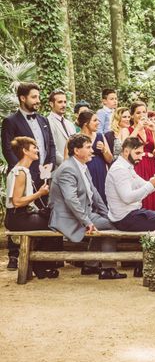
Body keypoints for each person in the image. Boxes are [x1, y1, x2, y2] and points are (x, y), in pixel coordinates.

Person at [49, 134, 126, 279]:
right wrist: (87, 222)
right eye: (88, 147)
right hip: (69, 217)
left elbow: (94, 193)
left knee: (110, 221)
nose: (92, 151)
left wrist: (107, 214)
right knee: (111, 226)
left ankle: (90, 265)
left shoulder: (81, 166)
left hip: (84, 213)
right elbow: (71, 200)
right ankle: (107, 269)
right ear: (77, 151)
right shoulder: (68, 169)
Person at [105, 136, 155, 281]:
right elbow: (127, 197)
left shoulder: (127, 167)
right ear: (126, 151)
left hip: (130, 214)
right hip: (125, 218)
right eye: (138, 153)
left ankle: (143, 267)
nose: (141, 156)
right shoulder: (120, 170)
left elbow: (144, 185)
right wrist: (150, 185)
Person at [1, 82, 56, 271]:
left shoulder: (43, 120)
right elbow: (8, 149)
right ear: (22, 98)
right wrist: (22, 169)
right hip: (24, 172)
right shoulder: (11, 121)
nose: (37, 100)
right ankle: (14, 255)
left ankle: (42, 258)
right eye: (34, 97)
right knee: (18, 212)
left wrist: (48, 165)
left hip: (43, 174)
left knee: (41, 212)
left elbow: (50, 145)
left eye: (38, 97)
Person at [4, 137, 62, 278]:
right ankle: (40, 265)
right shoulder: (20, 173)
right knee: (54, 224)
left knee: (52, 219)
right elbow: (17, 202)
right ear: (25, 151)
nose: (37, 150)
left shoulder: (24, 170)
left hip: (22, 215)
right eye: (34, 147)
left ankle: (40, 265)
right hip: (17, 217)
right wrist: (39, 194)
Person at [128, 101, 155, 211]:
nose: (142, 115)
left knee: (152, 194)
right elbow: (127, 146)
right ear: (132, 115)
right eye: (138, 113)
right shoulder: (127, 130)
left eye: (144, 112)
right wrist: (137, 128)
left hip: (150, 165)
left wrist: (154, 131)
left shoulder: (150, 130)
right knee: (139, 193)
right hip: (136, 165)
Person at [77, 110, 113, 205]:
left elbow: (109, 159)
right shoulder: (75, 139)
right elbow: (67, 160)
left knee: (102, 199)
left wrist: (104, 150)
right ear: (86, 124)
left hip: (100, 173)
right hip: (84, 172)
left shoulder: (100, 136)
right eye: (95, 120)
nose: (98, 123)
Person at [47, 89, 76, 167]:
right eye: (60, 102)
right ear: (51, 104)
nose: (63, 105)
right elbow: (52, 149)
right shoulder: (47, 123)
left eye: (65, 102)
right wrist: (65, 164)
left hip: (75, 167)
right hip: (59, 168)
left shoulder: (70, 124)